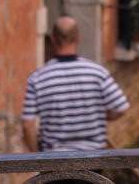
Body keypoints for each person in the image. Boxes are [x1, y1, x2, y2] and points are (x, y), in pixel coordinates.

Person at [22, 16, 130, 152]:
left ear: (53, 40)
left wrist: (36, 157)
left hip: (53, 158)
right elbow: (121, 108)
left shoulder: (37, 78)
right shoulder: (97, 72)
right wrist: (103, 115)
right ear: (78, 38)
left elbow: (27, 125)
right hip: (92, 156)